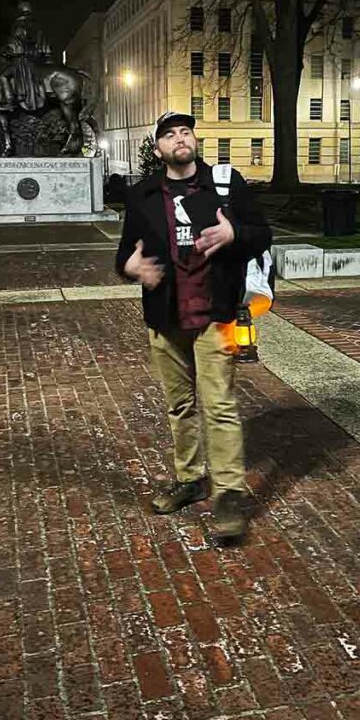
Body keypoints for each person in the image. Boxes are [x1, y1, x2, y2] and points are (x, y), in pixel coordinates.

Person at [116, 111, 272, 539]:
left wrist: (234, 235)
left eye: (186, 131)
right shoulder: (142, 194)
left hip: (214, 315)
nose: (179, 139)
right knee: (179, 405)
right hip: (165, 319)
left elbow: (263, 235)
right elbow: (126, 253)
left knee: (219, 405)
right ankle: (189, 479)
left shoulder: (224, 185)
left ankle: (228, 496)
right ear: (158, 148)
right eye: (169, 135)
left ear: (195, 140)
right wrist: (129, 268)